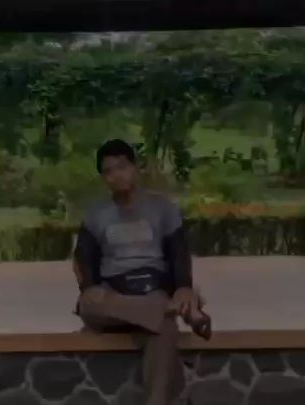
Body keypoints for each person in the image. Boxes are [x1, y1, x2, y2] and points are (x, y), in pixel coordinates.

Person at [73, 139, 211, 405]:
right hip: (113, 298)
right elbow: (83, 261)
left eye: (121, 167)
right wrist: (88, 288)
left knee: (163, 330)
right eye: (108, 171)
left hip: (152, 291)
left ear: (136, 167)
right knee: (89, 303)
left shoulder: (163, 209)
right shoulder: (96, 215)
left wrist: (184, 287)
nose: (116, 176)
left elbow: (179, 252)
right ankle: (173, 309)